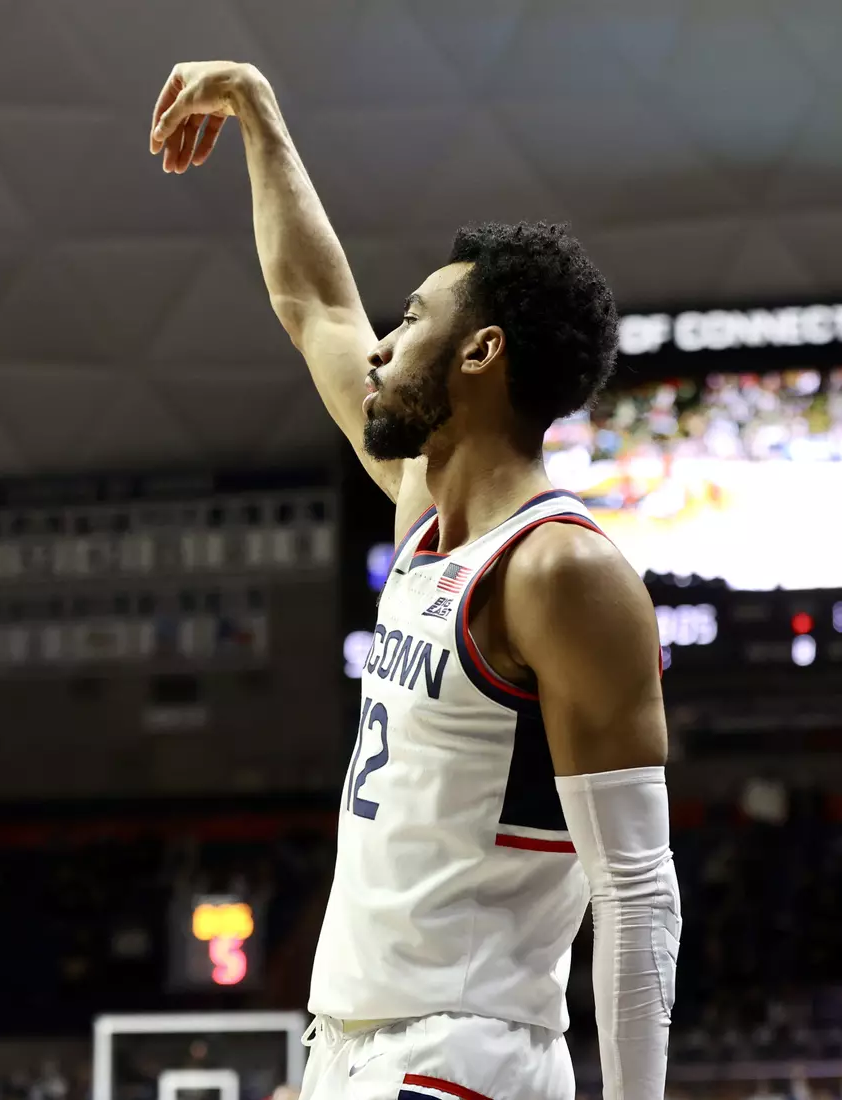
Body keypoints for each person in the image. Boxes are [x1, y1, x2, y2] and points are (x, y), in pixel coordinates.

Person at [150, 61, 679, 1100]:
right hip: (363, 1039)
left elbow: (636, 887)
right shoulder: (424, 513)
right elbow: (313, 303)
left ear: (481, 352)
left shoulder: (561, 568)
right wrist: (257, 111)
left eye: (414, 318)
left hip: (462, 1049)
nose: (384, 343)